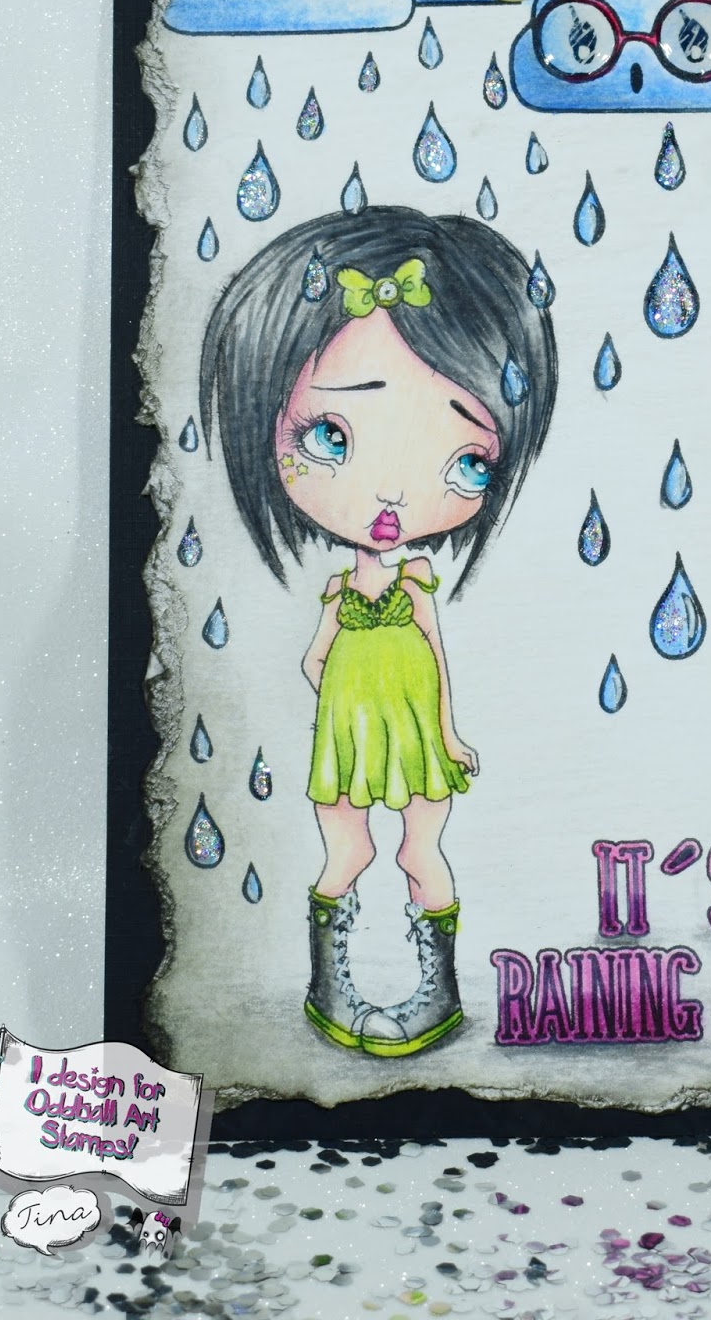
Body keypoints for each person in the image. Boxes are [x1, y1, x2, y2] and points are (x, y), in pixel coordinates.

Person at [201, 206, 557, 1055]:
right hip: (350, 734)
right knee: (347, 855)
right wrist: (338, 693)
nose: (392, 496)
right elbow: (313, 659)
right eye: (332, 435)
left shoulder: (417, 584)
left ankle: (438, 992)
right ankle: (331, 987)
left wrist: (446, 732)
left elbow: (433, 658)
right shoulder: (337, 594)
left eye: (467, 461)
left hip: (414, 732)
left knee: (419, 853)